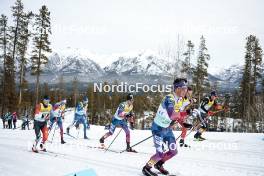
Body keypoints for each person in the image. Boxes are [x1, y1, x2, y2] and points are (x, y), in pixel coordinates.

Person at [142, 78, 188, 176]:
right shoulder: (169, 99)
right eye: (183, 88)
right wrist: (185, 113)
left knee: (173, 151)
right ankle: (147, 168)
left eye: (186, 88)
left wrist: (183, 124)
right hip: (158, 129)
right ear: (177, 88)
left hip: (167, 129)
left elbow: (176, 116)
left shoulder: (179, 100)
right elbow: (172, 115)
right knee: (160, 153)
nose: (185, 90)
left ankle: (159, 164)